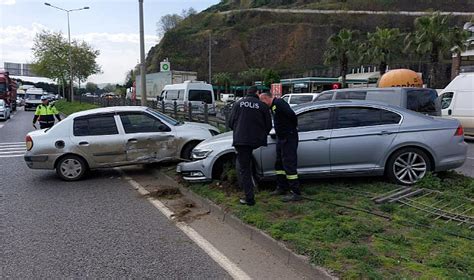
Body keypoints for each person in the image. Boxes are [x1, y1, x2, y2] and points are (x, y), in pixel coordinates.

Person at [228, 86, 272, 206]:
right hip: (255, 141)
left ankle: (249, 198)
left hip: (241, 141)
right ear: (257, 93)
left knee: (245, 170)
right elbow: (268, 125)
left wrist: (238, 131)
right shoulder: (262, 106)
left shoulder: (238, 104)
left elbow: (230, 123)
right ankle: (255, 187)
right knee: (249, 163)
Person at [259, 92, 302, 202]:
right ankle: (282, 187)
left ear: (266, 98)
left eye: (262, 102)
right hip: (281, 138)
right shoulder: (273, 106)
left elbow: (292, 116)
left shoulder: (279, 103)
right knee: (279, 164)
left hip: (288, 137)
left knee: (289, 164)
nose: (262, 104)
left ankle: (295, 192)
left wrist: (290, 130)